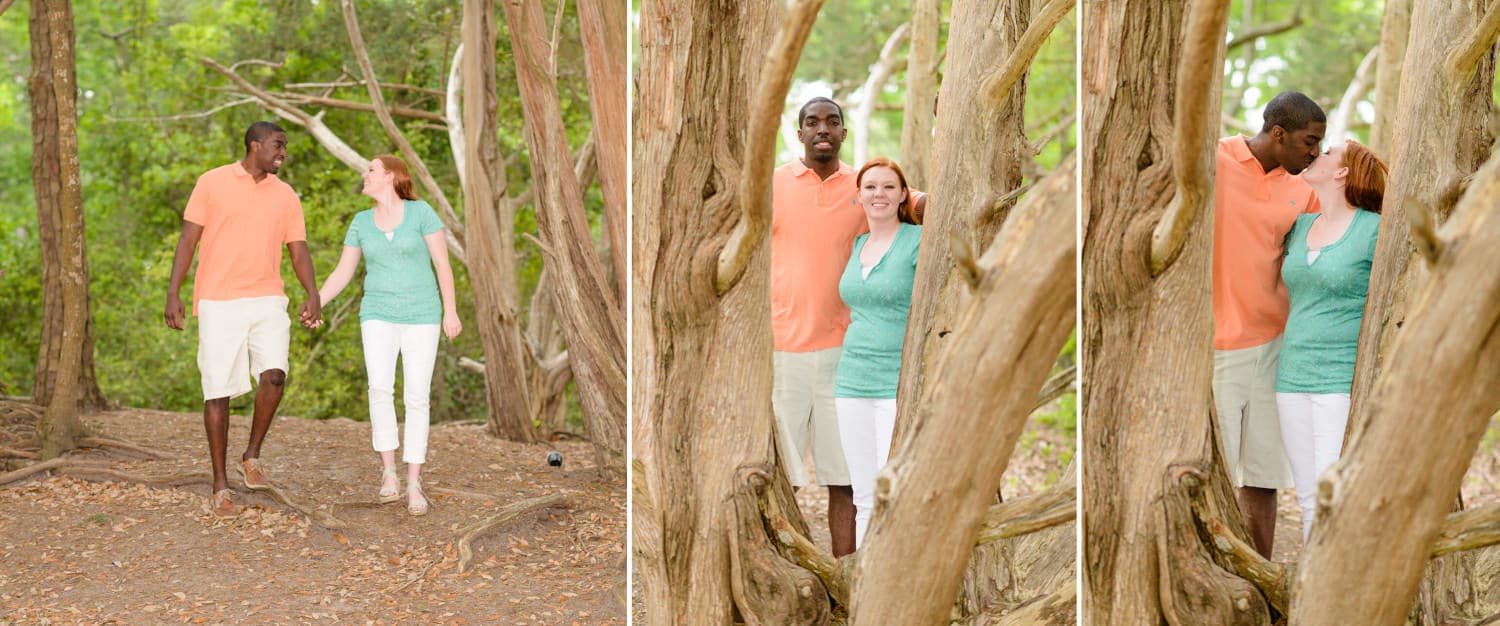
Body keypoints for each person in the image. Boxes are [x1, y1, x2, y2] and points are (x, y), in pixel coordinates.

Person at [164, 121, 321, 518]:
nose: (283, 152)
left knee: (275, 375)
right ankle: (220, 485)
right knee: (217, 390)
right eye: (277, 145)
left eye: (284, 146)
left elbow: (298, 249)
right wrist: (174, 292)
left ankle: (251, 456)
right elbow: (188, 239)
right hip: (219, 300)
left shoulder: (285, 195)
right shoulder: (212, 182)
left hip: (268, 298)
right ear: (255, 145)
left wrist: (312, 293)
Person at [316, 155, 461, 516]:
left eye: (371, 169)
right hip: (377, 314)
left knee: (416, 397)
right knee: (380, 389)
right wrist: (315, 302)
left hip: (422, 315)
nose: (364, 174)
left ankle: (414, 482)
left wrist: (450, 311)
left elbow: (443, 264)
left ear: (391, 176)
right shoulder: (361, 222)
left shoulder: (422, 213)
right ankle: (389, 474)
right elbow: (342, 272)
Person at [1213, 91, 1324, 558]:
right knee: (1208, 473)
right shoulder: (1213, 160)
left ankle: (1258, 579)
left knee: (1263, 477)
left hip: (1275, 348)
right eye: (1309, 141)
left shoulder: (1305, 192)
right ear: (1278, 134)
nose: (1315, 152)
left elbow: (1312, 267)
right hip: (1213, 346)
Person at [1278, 140, 1385, 539]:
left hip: (1339, 381)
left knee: (1331, 496)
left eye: (1326, 154)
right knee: (1306, 496)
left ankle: (1331, 593)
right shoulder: (1301, 225)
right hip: (1290, 377)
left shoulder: (1373, 229)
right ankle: (1309, 593)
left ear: (1341, 172)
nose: (1314, 156)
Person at [771, 97, 859, 556]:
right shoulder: (774, 185)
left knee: (842, 479)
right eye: (812, 122)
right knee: (775, 479)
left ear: (844, 133)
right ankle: (789, 577)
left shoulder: (863, 188)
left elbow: (913, 203)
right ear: (800, 132)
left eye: (832, 121)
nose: (822, 128)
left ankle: (846, 579)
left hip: (842, 355)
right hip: (780, 353)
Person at [835, 157, 921, 548]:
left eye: (889, 186)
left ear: (904, 194)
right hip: (851, 380)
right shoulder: (857, 244)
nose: (879, 194)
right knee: (864, 495)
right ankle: (867, 591)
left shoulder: (917, 241)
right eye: (870, 187)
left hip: (896, 384)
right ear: (859, 196)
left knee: (895, 492)